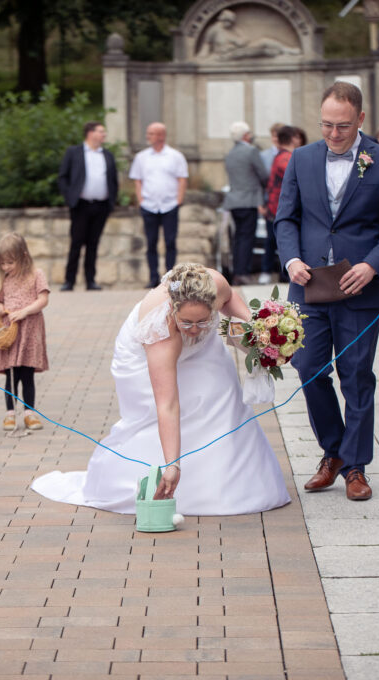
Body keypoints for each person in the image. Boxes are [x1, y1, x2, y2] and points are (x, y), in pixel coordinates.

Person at [31, 263, 290, 514]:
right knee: (160, 411)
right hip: (144, 354)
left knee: (221, 390)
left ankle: (228, 481)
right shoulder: (159, 326)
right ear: (174, 309)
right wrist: (172, 465)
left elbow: (230, 300)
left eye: (203, 320)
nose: (195, 329)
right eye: (187, 322)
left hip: (202, 349)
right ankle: (158, 469)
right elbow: (167, 404)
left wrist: (262, 331)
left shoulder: (215, 285)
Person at [274, 81, 379, 501]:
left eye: (343, 126)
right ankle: (333, 452)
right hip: (309, 285)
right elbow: (286, 219)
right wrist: (291, 260)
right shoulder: (301, 158)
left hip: (359, 287)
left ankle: (355, 467)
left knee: (356, 375)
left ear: (361, 119)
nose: (334, 134)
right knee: (308, 368)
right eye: (327, 125)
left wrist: (372, 265)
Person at [0, 233, 50, 431]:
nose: (6, 267)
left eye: (10, 262)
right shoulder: (5, 278)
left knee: (27, 374)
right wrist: (0, 308)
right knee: (11, 375)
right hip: (11, 333)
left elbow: (43, 299)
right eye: (2, 263)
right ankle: (10, 414)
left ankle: (29, 413)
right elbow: (0, 300)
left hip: (29, 332)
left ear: (23, 256)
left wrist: (25, 311)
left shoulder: (36, 274)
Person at [57, 121, 118, 291]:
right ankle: (69, 281)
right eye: (101, 131)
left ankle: (90, 280)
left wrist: (111, 201)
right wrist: (70, 198)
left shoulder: (107, 155)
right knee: (76, 243)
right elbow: (63, 177)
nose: (104, 135)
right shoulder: (74, 152)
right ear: (90, 133)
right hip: (81, 205)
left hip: (101, 205)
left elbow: (113, 180)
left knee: (93, 243)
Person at [129, 123, 188, 289]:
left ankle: (170, 277)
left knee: (170, 242)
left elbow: (182, 178)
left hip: (170, 205)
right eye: (148, 133)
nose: (148, 136)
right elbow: (137, 180)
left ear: (161, 135)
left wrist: (179, 200)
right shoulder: (141, 157)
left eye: (151, 133)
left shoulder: (175, 156)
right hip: (149, 205)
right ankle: (153, 277)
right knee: (151, 242)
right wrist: (141, 200)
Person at [223, 121, 268, 285]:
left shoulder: (230, 154)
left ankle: (237, 272)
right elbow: (263, 175)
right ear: (245, 136)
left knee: (238, 238)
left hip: (234, 201)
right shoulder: (251, 151)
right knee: (247, 238)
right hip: (249, 200)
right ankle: (243, 273)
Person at [262, 125, 298, 284]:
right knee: (280, 241)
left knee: (273, 241)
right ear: (293, 138)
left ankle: (273, 272)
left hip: (274, 206)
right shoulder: (287, 158)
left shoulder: (279, 156)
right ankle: (280, 273)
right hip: (281, 208)